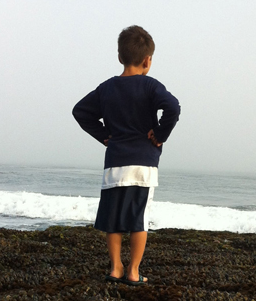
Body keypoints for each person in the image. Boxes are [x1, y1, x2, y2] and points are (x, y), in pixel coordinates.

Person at [72, 25, 180, 286]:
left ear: (120, 57)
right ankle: (133, 271)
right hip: (143, 163)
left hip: (116, 163)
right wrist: (160, 133)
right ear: (147, 60)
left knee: (113, 219)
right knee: (138, 219)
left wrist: (104, 135)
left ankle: (115, 268)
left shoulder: (107, 88)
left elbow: (80, 111)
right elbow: (173, 107)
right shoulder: (151, 86)